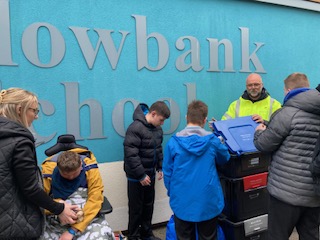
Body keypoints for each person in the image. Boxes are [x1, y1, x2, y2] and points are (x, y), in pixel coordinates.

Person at [0, 88, 78, 239]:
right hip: (14, 226)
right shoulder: (19, 141)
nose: (36, 117)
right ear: (19, 109)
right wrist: (59, 208)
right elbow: (30, 188)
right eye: (34, 111)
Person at [253, 73, 320, 240]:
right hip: (314, 194)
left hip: (285, 194)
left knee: (278, 236)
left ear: (289, 90)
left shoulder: (287, 113)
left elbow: (264, 144)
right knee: (310, 235)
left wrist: (259, 132)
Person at [163, 100, 230, 240]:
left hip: (182, 200)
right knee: (208, 236)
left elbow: (168, 173)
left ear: (186, 117)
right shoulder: (213, 142)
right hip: (208, 201)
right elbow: (225, 158)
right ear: (205, 120)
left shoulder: (173, 143)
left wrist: (173, 192)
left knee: (184, 236)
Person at [41, 150, 114, 240]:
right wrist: (59, 206)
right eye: (65, 175)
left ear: (81, 166)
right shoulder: (47, 172)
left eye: (75, 173)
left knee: (100, 236)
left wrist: (73, 230)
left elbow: (95, 200)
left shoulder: (90, 169)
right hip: (56, 220)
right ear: (58, 169)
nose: (71, 177)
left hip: (86, 219)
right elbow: (40, 201)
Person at [123, 101, 171, 240]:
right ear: (153, 113)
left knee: (148, 206)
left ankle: (146, 234)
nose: (162, 123)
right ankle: (133, 236)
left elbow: (159, 150)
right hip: (136, 177)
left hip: (150, 175)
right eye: (161, 120)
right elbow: (131, 154)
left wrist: (160, 167)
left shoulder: (157, 130)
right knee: (136, 209)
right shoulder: (135, 128)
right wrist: (141, 175)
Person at [213, 73, 281, 124]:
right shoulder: (235, 105)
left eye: (256, 84)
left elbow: (280, 128)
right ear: (246, 86)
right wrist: (217, 126)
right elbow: (225, 124)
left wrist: (264, 122)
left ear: (262, 85)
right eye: (250, 85)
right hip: (239, 142)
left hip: (265, 142)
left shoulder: (275, 105)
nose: (253, 87)